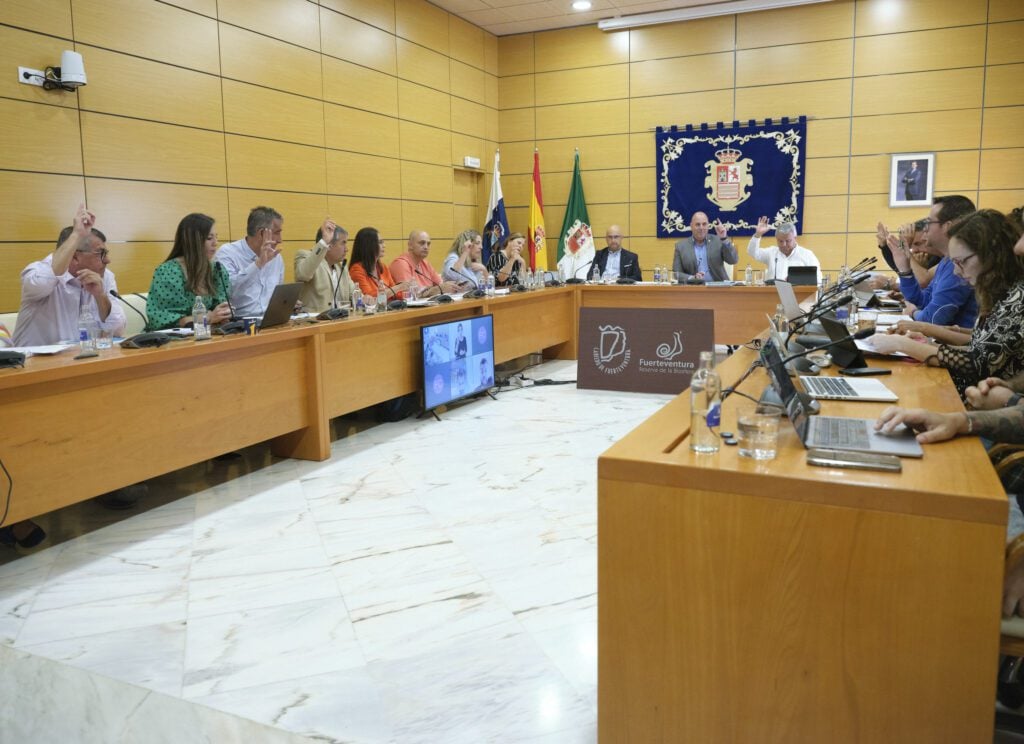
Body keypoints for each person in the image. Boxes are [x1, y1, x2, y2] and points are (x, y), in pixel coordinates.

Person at [869, 209, 1024, 397]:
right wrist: (926, 344)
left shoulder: (1017, 297)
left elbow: (977, 363)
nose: (957, 271)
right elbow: (978, 347)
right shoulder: (999, 292)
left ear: (991, 254)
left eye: (961, 262)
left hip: (975, 398)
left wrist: (902, 344)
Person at [12, 204, 126, 347]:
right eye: (100, 253)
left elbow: (117, 330)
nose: (108, 260)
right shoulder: (37, 272)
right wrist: (77, 234)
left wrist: (100, 295)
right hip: (34, 360)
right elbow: (42, 282)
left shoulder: (105, 276)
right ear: (75, 257)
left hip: (82, 357)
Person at [888, 194, 978, 327]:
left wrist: (913, 312)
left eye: (929, 222)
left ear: (947, 226)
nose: (925, 228)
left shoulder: (960, 265)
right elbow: (923, 300)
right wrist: (905, 270)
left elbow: (933, 319)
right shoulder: (946, 261)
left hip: (955, 340)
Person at [145, 213, 232, 330]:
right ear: (192, 241)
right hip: (172, 338)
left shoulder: (216, 270)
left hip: (208, 333)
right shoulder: (169, 272)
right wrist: (207, 318)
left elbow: (219, 308)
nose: (215, 243)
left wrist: (223, 314)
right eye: (209, 238)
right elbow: (164, 320)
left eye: (216, 237)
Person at [215, 206, 284, 317]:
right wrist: (258, 264)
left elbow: (278, 295)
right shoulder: (228, 253)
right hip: (240, 321)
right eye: (277, 233)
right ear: (262, 233)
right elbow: (229, 292)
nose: (280, 240)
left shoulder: (276, 257)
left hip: (271, 320)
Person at [294, 218, 356, 314]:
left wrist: (365, 298)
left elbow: (353, 292)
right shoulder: (306, 256)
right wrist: (324, 242)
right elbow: (303, 274)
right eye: (343, 243)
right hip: (314, 320)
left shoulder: (341, 266)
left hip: (341, 319)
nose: (346, 249)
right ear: (329, 245)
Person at [746, 217, 820, 283]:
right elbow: (752, 252)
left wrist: (798, 280)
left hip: (798, 293)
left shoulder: (807, 255)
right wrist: (758, 234)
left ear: (795, 238)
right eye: (780, 241)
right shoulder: (771, 253)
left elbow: (818, 279)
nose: (784, 244)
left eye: (788, 241)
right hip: (773, 293)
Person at [389, 230, 461, 298]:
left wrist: (451, 286)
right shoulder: (401, 264)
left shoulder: (425, 263)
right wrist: (436, 290)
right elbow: (409, 295)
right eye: (422, 243)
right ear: (410, 245)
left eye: (428, 244)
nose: (426, 247)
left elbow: (440, 284)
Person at [348, 227, 411, 300]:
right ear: (368, 245)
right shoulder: (356, 270)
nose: (384, 246)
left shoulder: (382, 267)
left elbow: (396, 294)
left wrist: (409, 290)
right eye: (380, 242)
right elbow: (369, 297)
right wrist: (398, 287)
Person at [673, 212, 738, 282]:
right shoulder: (681, 246)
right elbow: (676, 274)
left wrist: (724, 238)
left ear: (708, 226)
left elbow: (733, 260)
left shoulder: (718, 241)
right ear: (691, 226)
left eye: (704, 224)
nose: (701, 228)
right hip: (693, 287)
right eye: (697, 224)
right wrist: (692, 278)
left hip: (718, 286)